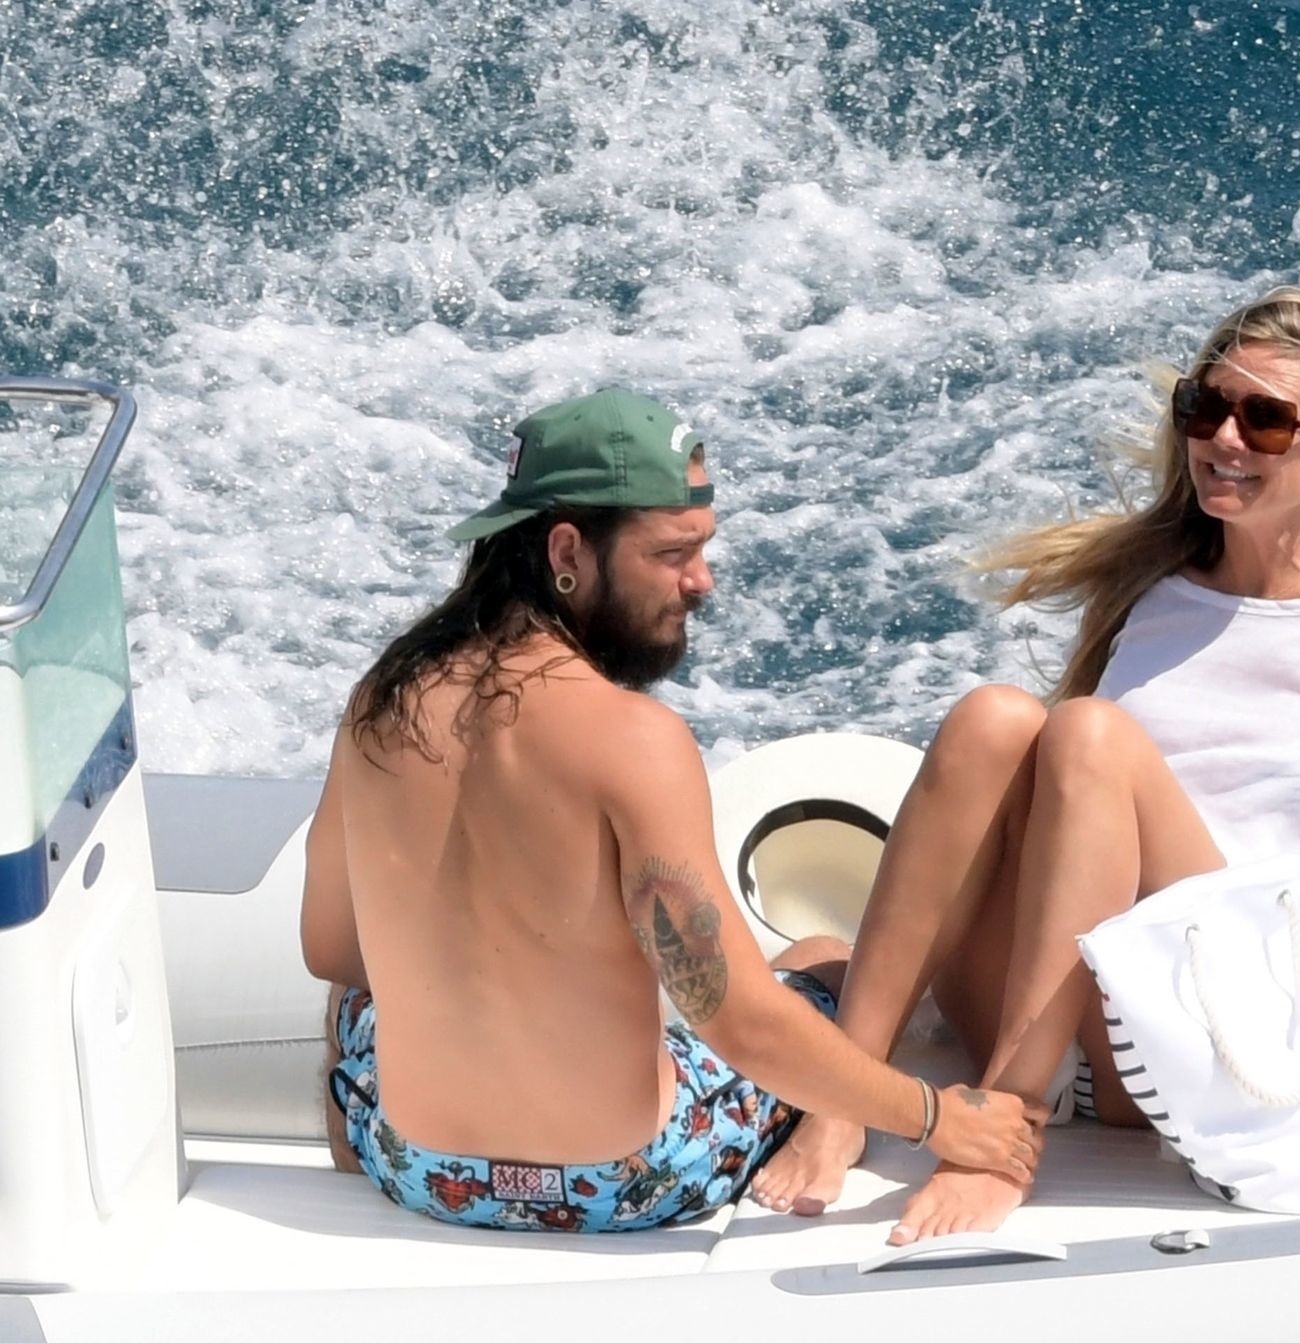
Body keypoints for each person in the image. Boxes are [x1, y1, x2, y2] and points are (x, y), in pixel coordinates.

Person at [749, 286, 1300, 1243]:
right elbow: (1066, 814)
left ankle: (1004, 1133)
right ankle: (843, 1094)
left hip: (1207, 1023)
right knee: (995, 719)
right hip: (1052, 1011)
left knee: (1088, 732)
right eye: (1205, 407)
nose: (1225, 437)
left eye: (1266, 418)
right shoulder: (1153, 587)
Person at [301, 388, 1041, 1233]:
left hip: (423, 1170)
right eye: (673, 553)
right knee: (825, 961)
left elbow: (331, 948)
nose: (702, 581)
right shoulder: (630, 738)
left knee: (356, 1003)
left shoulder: (381, 700)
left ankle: (363, 1167)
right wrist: (937, 1117)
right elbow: (740, 1022)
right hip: (622, 1184)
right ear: (568, 550)